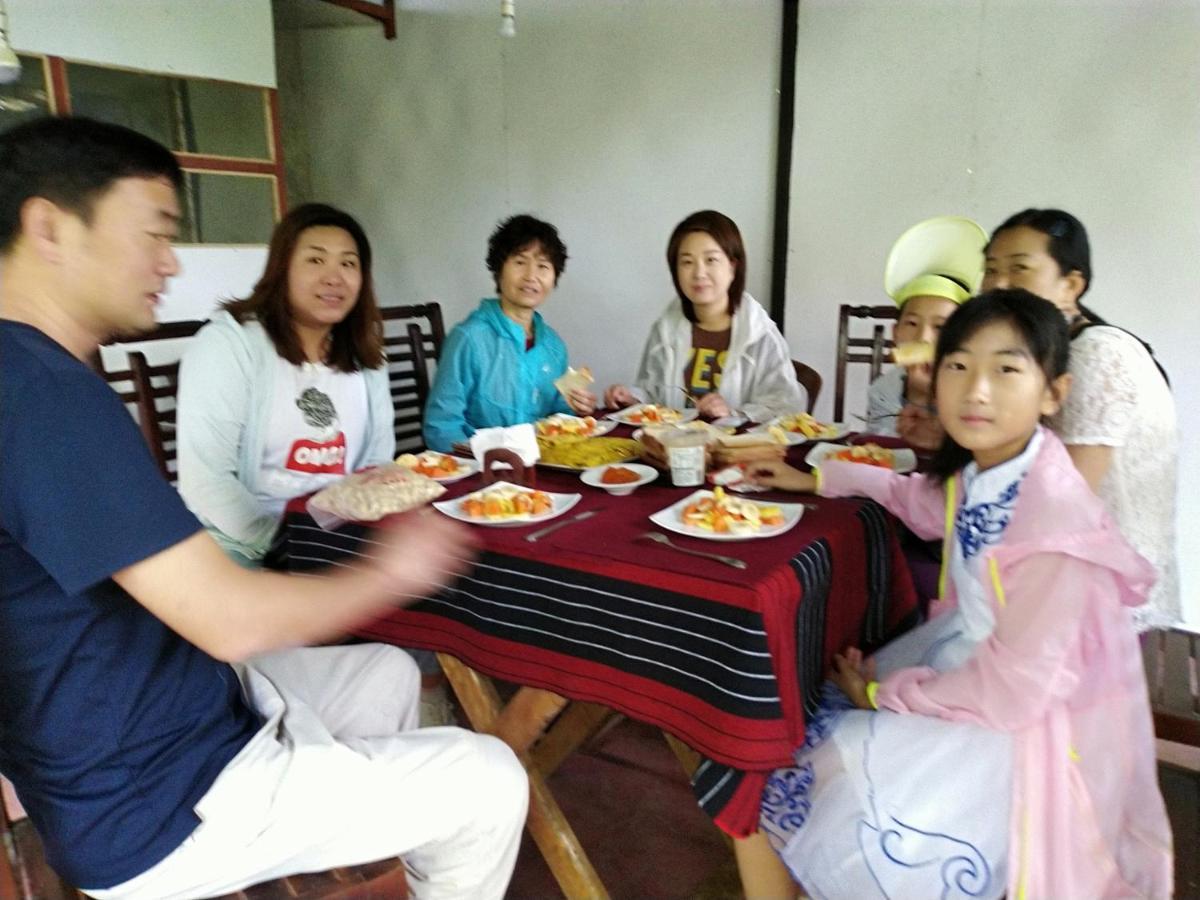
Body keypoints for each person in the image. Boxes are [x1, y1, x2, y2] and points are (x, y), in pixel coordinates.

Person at [0, 116, 527, 900]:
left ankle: (358, 850)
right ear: (49, 228)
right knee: (489, 777)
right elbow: (227, 619)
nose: (171, 262)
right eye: (153, 233)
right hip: (158, 797)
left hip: (183, 707)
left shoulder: (41, 375)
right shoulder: (38, 390)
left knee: (385, 672)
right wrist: (396, 570)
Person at [735, 290, 1172, 899]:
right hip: (970, 666)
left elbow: (1016, 690)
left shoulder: (1054, 523)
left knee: (795, 757)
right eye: (959, 366)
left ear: (1054, 393)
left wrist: (882, 695)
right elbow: (919, 501)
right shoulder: (996, 471)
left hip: (1016, 729)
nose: (977, 390)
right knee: (805, 737)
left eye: (1006, 369)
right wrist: (813, 476)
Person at [982, 208, 1180, 632]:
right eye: (990, 269)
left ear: (1070, 285)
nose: (997, 285)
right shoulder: (1054, 348)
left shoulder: (1096, 354)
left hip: (1104, 602)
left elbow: (1063, 505)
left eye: (1019, 268)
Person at [177, 203, 394, 566]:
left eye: (348, 263)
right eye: (315, 260)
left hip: (339, 539)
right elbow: (207, 481)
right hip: (245, 544)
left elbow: (376, 464)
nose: (334, 277)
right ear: (282, 269)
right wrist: (293, 545)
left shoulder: (365, 356)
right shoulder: (229, 346)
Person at [605, 210, 805, 422]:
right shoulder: (665, 330)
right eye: (687, 262)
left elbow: (786, 408)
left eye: (711, 260)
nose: (699, 273)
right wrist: (631, 399)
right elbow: (652, 394)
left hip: (735, 450)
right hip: (673, 447)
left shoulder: (760, 334)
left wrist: (732, 413)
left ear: (732, 266)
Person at [422, 214, 595, 451]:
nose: (531, 276)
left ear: (554, 277)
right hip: (483, 474)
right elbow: (441, 426)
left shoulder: (554, 346)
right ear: (499, 270)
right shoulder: (469, 339)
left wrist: (576, 409)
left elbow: (558, 414)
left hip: (541, 468)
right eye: (520, 262)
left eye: (543, 266)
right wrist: (485, 462)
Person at [867, 215, 986, 445]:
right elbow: (883, 451)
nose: (923, 337)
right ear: (895, 334)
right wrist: (917, 396)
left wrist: (932, 396)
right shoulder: (883, 390)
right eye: (911, 324)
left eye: (940, 326)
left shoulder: (977, 391)